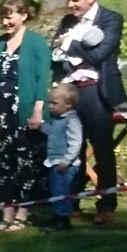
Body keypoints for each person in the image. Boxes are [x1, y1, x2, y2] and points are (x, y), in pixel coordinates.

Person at [52, 0, 127, 219]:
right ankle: (72, 202)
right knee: (73, 148)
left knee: (102, 148)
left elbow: (100, 55)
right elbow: (54, 49)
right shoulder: (67, 21)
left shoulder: (111, 19)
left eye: (75, 1)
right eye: (69, 0)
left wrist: (68, 45)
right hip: (70, 89)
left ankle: (107, 205)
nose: (71, 6)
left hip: (96, 90)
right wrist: (62, 47)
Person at [0, 0, 51, 231]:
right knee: (2, 163)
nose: (6, 21)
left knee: (26, 163)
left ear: (23, 15)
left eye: (10, 16)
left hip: (25, 111)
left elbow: (43, 78)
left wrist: (38, 109)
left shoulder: (36, 43)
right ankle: (6, 214)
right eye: (3, 17)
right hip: (0, 113)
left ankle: (23, 213)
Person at [39, 80, 86, 227]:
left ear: (68, 104)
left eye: (54, 103)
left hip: (65, 164)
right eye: (50, 103)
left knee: (61, 190)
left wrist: (66, 161)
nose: (50, 106)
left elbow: (76, 142)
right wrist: (40, 126)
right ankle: (58, 214)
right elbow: (53, 133)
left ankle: (63, 218)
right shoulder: (57, 120)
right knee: (55, 190)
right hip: (54, 162)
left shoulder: (72, 121)